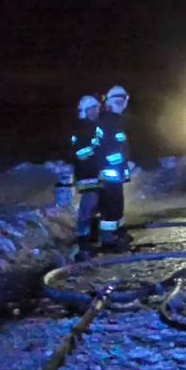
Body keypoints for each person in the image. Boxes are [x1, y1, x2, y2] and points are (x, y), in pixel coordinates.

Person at [94, 85, 135, 251]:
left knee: (117, 202)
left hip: (115, 170)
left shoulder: (115, 120)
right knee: (110, 204)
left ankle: (118, 232)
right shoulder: (106, 120)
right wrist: (111, 163)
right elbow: (104, 147)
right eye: (117, 101)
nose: (120, 105)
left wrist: (123, 167)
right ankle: (108, 238)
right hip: (108, 170)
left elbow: (120, 147)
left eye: (122, 101)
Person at [68, 95, 106, 258]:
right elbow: (79, 153)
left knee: (95, 206)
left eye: (97, 108)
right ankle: (82, 238)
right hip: (86, 174)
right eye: (93, 109)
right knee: (87, 206)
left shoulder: (94, 127)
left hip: (94, 172)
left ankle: (91, 237)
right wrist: (95, 148)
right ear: (86, 110)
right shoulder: (82, 129)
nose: (96, 111)